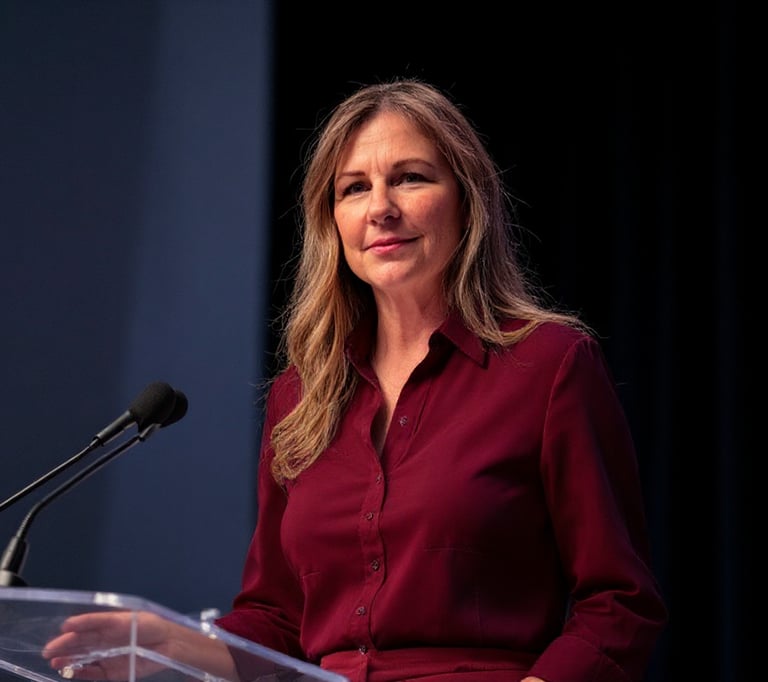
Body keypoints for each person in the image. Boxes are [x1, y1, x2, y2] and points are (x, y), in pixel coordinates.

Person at [43, 78, 668, 682]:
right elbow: (280, 619)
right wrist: (178, 645)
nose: (381, 209)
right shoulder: (300, 397)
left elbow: (619, 603)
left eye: (411, 178)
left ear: (467, 200)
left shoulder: (549, 365)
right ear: (331, 221)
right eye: (353, 188)